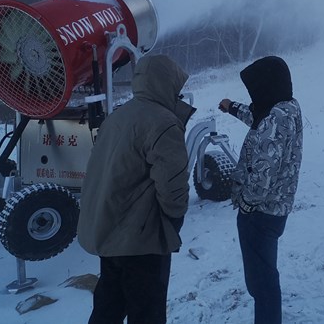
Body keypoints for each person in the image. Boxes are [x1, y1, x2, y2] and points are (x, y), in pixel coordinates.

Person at [78, 54, 195, 324]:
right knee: (147, 313)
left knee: (108, 307)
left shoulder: (119, 116)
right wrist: (173, 222)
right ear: (166, 84)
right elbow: (173, 188)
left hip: (109, 232)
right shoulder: (164, 123)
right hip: (142, 242)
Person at [218, 55, 303, 324]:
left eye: (255, 89)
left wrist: (245, 203)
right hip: (275, 209)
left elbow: (262, 177)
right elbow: (257, 116)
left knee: (262, 283)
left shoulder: (274, 121)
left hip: (261, 212)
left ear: (267, 86)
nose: (253, 96)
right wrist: (232, 107)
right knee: (265, 275)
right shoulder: (285, 107)